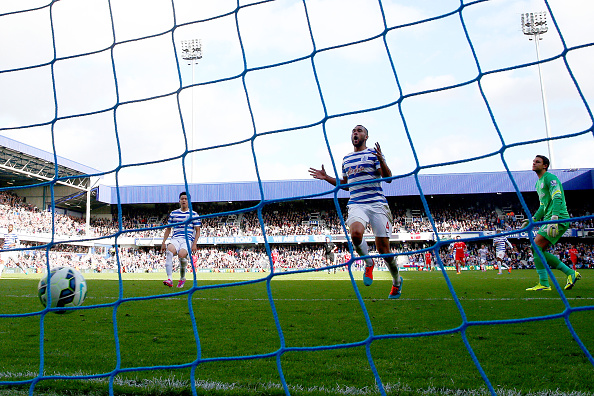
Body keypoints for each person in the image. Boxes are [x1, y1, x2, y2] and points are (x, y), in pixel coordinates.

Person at [309, 124, 402, 299]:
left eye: (359, 131)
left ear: (366, 136)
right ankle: (369, 263)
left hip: (377, 204)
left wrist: (382, 159)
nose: (355, 133)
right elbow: (345, 185)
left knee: (384, 250)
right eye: (353, 131)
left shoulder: (373, 155)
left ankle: (396, 281)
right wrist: (326, 177)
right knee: (356, 235)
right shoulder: (346, 159)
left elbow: (388, 179)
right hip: (357, 203)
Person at [521, 155, 581, 291]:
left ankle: (544, 283)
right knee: (538, 249)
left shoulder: (550, 178)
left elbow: (557, 197)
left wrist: (555, 217)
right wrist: (533, 219)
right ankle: (570, 273)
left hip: (557, 218)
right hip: (549, 219)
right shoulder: (538, 183)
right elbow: (543, 206)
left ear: (545, 165)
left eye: (537, 162)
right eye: (533, 161)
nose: (534, 163)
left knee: (535, 246)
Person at [161, 192, 201, 288]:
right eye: (182, 199)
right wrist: (163, 242)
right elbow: (168, 229)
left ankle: (182, 278)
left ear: (189, 201)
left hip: (187, 239)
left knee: (181, 255)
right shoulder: (174, 213)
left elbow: (198, 230)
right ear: (179, 201)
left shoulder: (194, 214)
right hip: (175, 238)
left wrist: (194, 244)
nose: (184, 200)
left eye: (186, 199)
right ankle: (170, 279)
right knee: (169, 251)